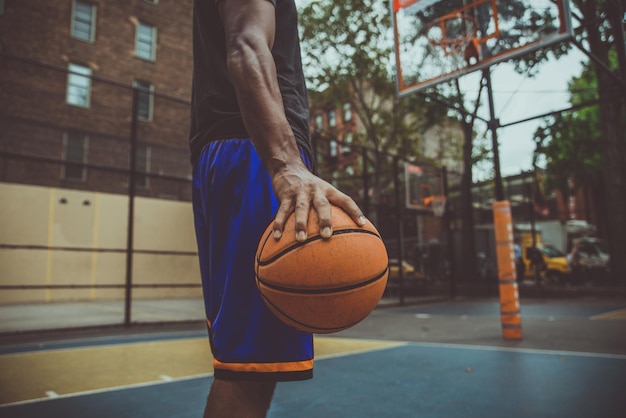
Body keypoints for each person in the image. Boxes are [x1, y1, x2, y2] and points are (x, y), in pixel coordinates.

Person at [188, 1, 366, 417]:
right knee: (250, 369)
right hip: (255, 153)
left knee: (245, 362)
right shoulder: (267, 157)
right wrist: (286, 163)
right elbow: (247, 44)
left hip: (244, 154)